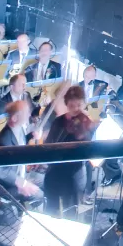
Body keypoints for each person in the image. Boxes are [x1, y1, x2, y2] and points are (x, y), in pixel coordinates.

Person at [42, 85, 94, 214]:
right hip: (55, 171)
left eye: (79, 105)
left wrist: (83, 130)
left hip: (73, 174)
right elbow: (49, 143)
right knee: (51, 209)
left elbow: (87, 149)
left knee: (70, 210)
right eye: (72, 105)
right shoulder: (58, 122)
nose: (76, 109)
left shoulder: (86, 122)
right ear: (67, 104)